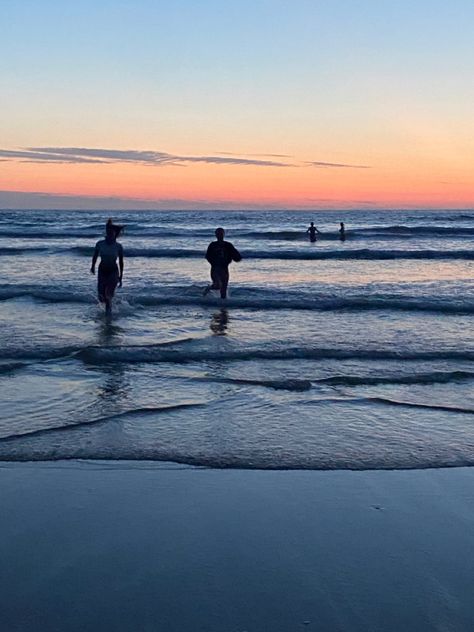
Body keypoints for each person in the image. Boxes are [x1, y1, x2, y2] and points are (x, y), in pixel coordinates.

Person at [90, 219, 124, 315]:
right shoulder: (100, 244)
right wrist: (92, 266)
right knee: (101, 297)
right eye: (108, 232)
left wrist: (121, 276)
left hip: (113, 271)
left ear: (115, 234)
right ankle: (111, 308)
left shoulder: (118, 246)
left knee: (108, 296)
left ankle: (108, 318)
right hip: (102, 270)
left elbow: (121, 261)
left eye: (111, 233)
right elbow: (95, 255)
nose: (109, 235)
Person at [203, 227, 242, 299]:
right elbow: (208, 256)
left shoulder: (228, 245)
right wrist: (213, 263)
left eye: (221, 233)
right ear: (215, 235)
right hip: (215, 268)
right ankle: (208, 289)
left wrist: (235, 258)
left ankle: (223, 308)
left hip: (224, 268)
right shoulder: (212, 245)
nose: (219, 235)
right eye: (218, 233)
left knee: (223, 290)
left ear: (223, 234)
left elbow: (236, 255)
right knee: (217, 285)